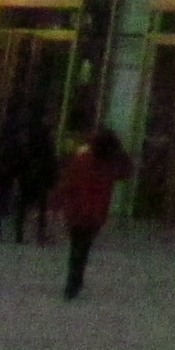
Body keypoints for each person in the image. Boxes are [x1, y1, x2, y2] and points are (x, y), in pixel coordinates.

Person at [52, 128, 133, 301]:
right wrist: (121, 152)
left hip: (76, 209)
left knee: (76, 247)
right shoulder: (109, 164)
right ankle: (76, 280)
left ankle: (72, 282)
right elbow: (126, 172)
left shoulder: (82, 159)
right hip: (96, 213)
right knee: (84, 246)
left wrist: (58, 202)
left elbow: (68, 182)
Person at [13, 116, 61, 245]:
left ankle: (19, 233)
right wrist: (53, 179)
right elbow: (51, 162)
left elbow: (20, 160)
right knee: (41, 207)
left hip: (27, 176)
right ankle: (40, 233)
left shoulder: (28, 143)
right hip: (41, 178)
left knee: (23, 206)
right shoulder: (47, 145)